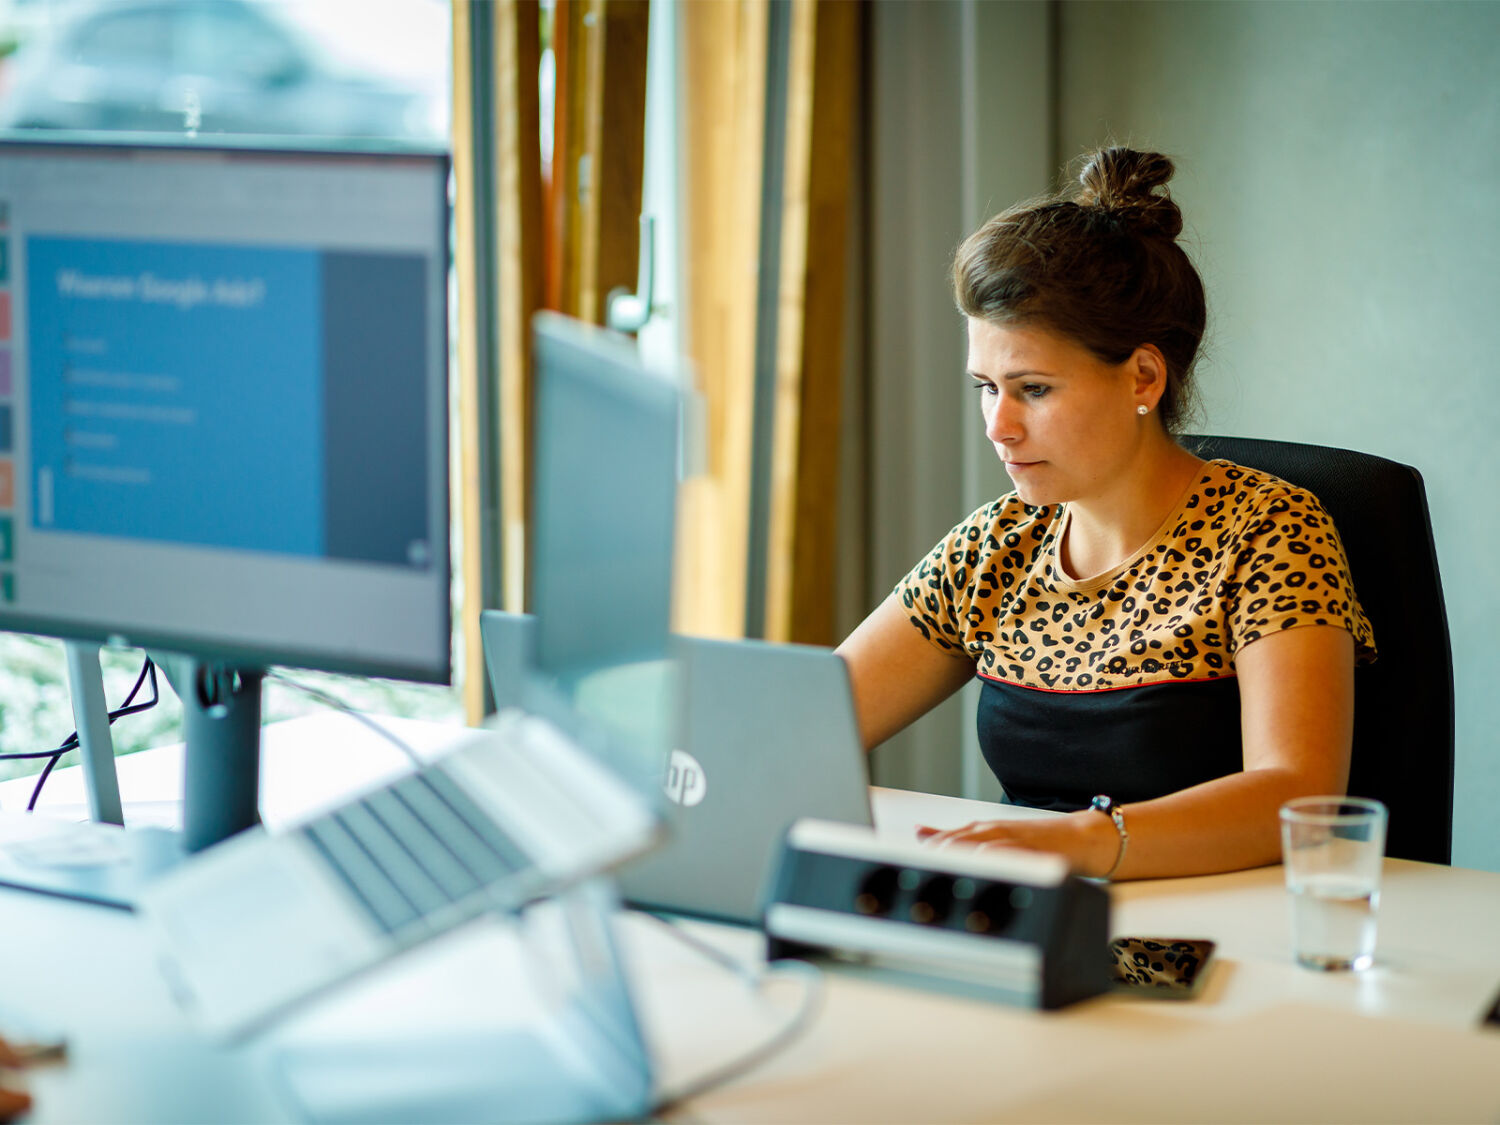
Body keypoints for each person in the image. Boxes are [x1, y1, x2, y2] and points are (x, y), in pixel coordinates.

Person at [836, 147, 1375, 881]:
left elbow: (1298, 794)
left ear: (1143, 376)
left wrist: (1084, 842)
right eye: (985, 387)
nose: (998, 425)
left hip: (1221, 937)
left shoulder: (1269, 528)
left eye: (1032, 388)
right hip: (1037, 916)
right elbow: (812, 724)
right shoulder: (998, 544)